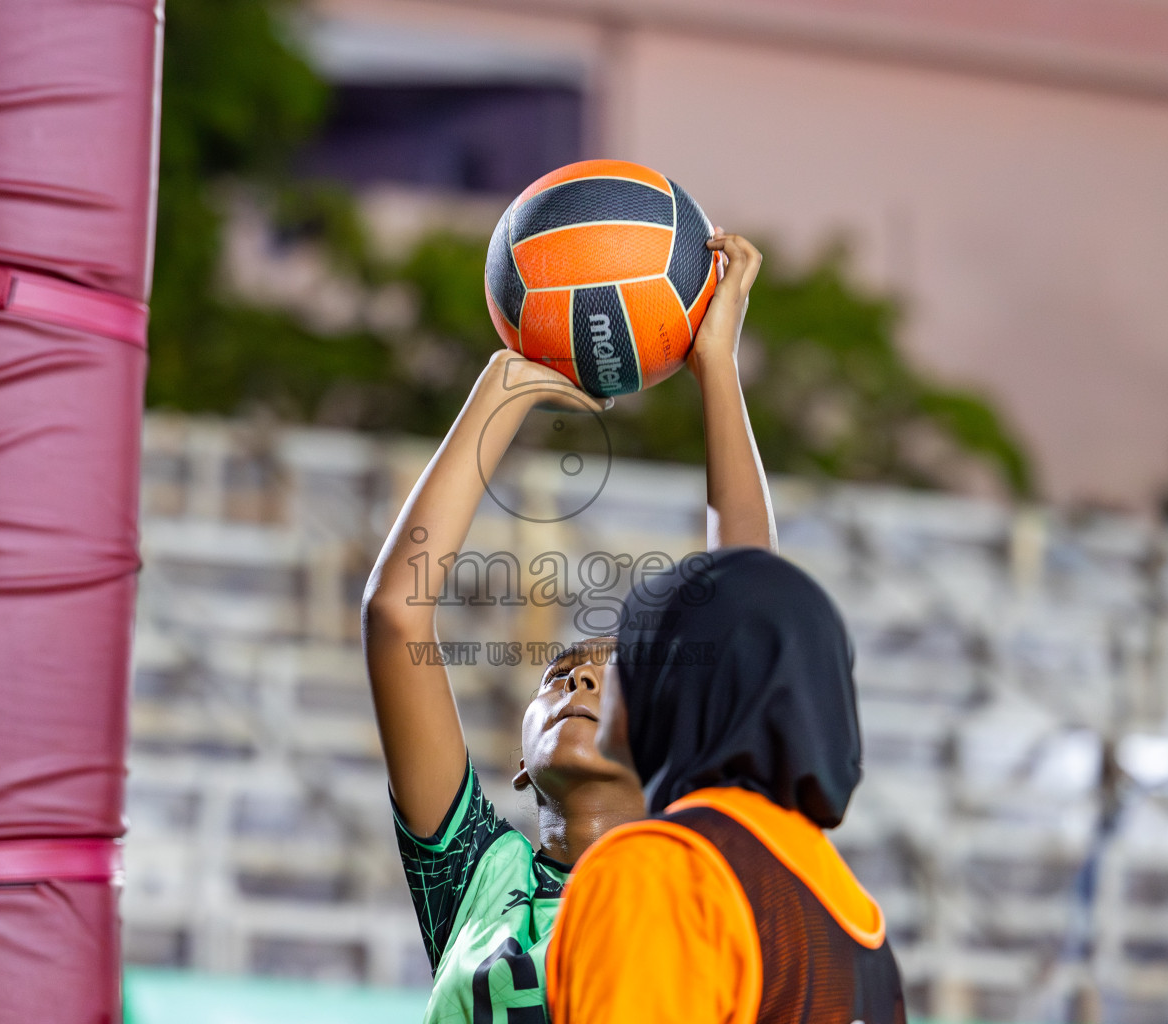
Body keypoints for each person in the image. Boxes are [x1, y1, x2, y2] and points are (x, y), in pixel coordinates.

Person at [361, 232, 775, 1022]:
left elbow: (752, 606)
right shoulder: (476, 875)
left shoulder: (703, 867)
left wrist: (716, 363)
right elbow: (395, 614)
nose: (578, 678)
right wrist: (498, 391)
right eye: (557, 675)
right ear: (518, 764)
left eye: (612, 675)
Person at [546, 547, 907, 1024]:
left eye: (631, 649)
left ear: (676, 680)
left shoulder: (662, 871)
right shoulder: (862, 924)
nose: (600, 676)